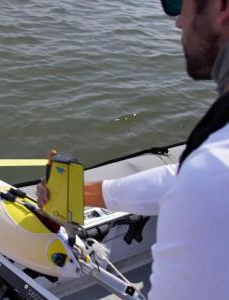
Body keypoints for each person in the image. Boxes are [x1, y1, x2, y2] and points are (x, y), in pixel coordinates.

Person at [37, 0, 229, 299]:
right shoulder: (211, 164)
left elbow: (200, 182)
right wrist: (76, 194)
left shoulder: (213, 176)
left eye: (182, 5)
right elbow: (176, 180)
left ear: (223, 7)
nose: (178, 22)